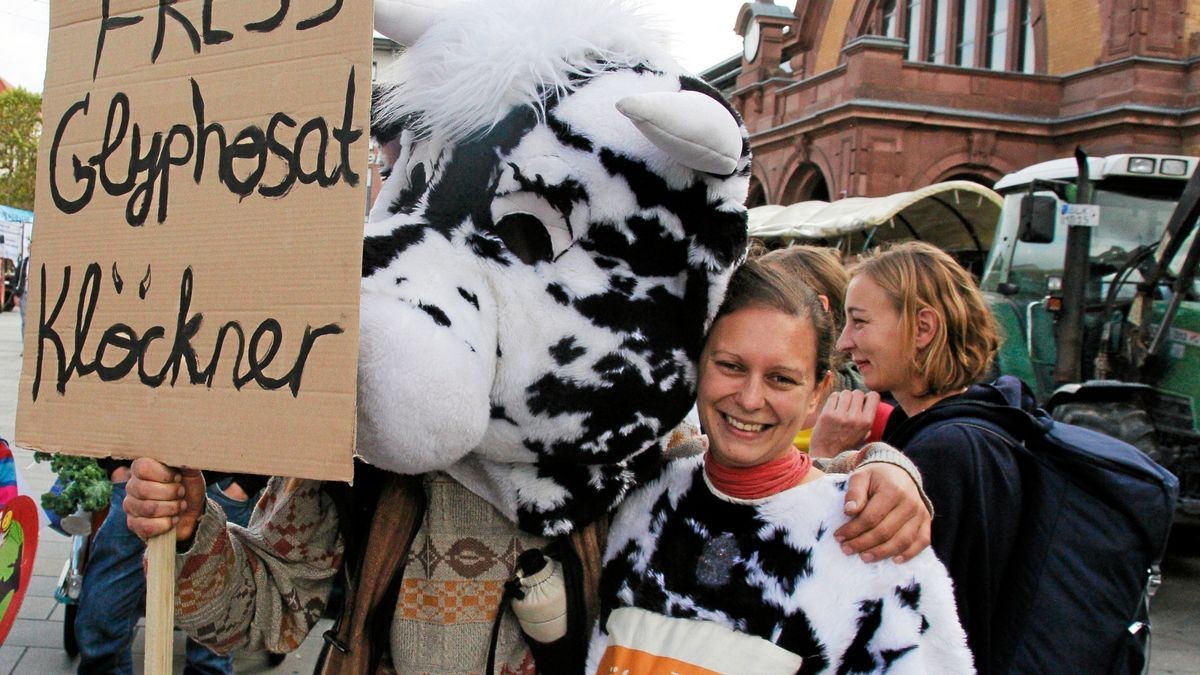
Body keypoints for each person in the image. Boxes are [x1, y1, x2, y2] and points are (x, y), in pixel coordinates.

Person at [588, 260, 972, 671]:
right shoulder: (637, 492)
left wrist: (886, 464)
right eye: (731, 366)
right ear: (697, 364)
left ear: (817, 392)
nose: (751, 399)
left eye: (781, 379)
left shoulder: (871, 538)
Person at [836, 241, 1021, 672]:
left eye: (859, 322)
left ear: (923, 328)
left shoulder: (941, 454)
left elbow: (868, 596)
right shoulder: (988, 421)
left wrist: (830, 462)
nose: (845, 342)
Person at [74, 462, 265, 675]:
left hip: (225, 484)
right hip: (142, 485)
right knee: (102, 611)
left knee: (213, 644)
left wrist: (243, 488)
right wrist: (117, 468)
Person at [758, 245, 893, 457]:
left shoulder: (873, 417)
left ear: (821, 311)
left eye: (769, 305)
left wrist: (825, 455)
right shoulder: (727, 402)